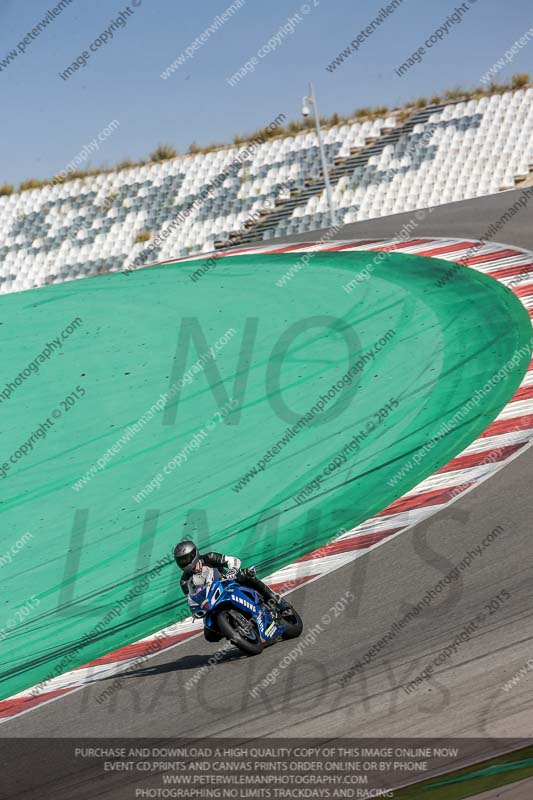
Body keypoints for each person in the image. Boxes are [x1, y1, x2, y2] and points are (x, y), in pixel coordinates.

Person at [173, 540, 284, 641]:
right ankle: (234, 630)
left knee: (245, 575)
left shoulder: (210, 557)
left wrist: (231, 571)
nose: (184, 562)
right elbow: (191, 597)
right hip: (211, 601)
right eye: (181, 561)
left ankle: (275, 598)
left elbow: (233, 561)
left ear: (194, 554)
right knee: (209, 635)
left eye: (186, 559)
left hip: (227, 585)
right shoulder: (184, 581)